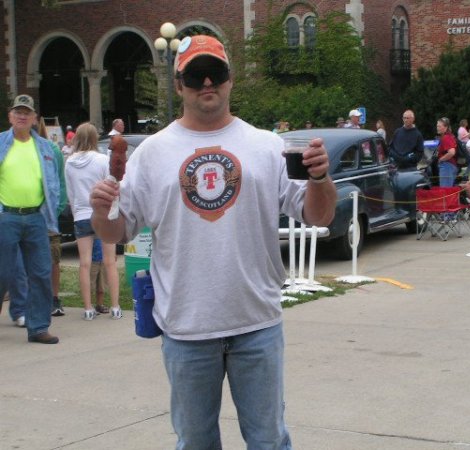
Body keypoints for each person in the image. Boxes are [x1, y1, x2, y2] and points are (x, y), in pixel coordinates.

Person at [89, 34, 336, 449]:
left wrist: (319, 178)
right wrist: (100, 211)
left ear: (230, 79)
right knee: (195, 442)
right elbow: (120, 231)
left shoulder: (266, 145)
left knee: (269, 441)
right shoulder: (152, 153)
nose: (207, 84)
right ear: (179, 85)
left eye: (215, 73)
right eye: (195, 76)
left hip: (256, 323)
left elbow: (318, 214)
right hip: (186, 327)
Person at [0, 94, 60, 344]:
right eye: (18, 112)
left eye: (27, 112)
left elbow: (55, 182)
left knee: (41, 274)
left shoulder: (46, 147)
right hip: (6, 217)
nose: (22, 116)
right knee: (3, 273)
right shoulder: (1, 143)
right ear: (10, 116)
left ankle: (38, 328)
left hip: (36, 218)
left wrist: (53, 212)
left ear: (35, 118)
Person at [65, 122, 122, 320]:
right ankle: (115, 306)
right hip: (102, 214)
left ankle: (88, 308)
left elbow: (70, 194)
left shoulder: (70, 163)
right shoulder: (101, 160)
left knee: (84, 263)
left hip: (81, 214)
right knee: (110, 262)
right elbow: (111, 187)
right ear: (95, 139)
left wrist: (76, 212)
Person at [37, 116, 68, 316]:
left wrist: (56, 210)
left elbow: (61, 183)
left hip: (48, 217)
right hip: (24, 214)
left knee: (52, 259)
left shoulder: (53, 151)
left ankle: (54, 299)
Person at [436, 117, 458, 187]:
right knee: (449, 191)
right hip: (450, 166)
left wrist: (441, 159)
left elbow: (451, 152)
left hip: (447, 166)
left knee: (445, 191)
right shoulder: (450, 136)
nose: (437, 128)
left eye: (439, 126)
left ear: (446, 127)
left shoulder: (446, 137)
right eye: (437, 126)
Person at [90, 238, 109, 314]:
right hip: (92, 261)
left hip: (104, 259)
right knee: (90, 285)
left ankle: (99, 305)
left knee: (102, 285)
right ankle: (89, 306)